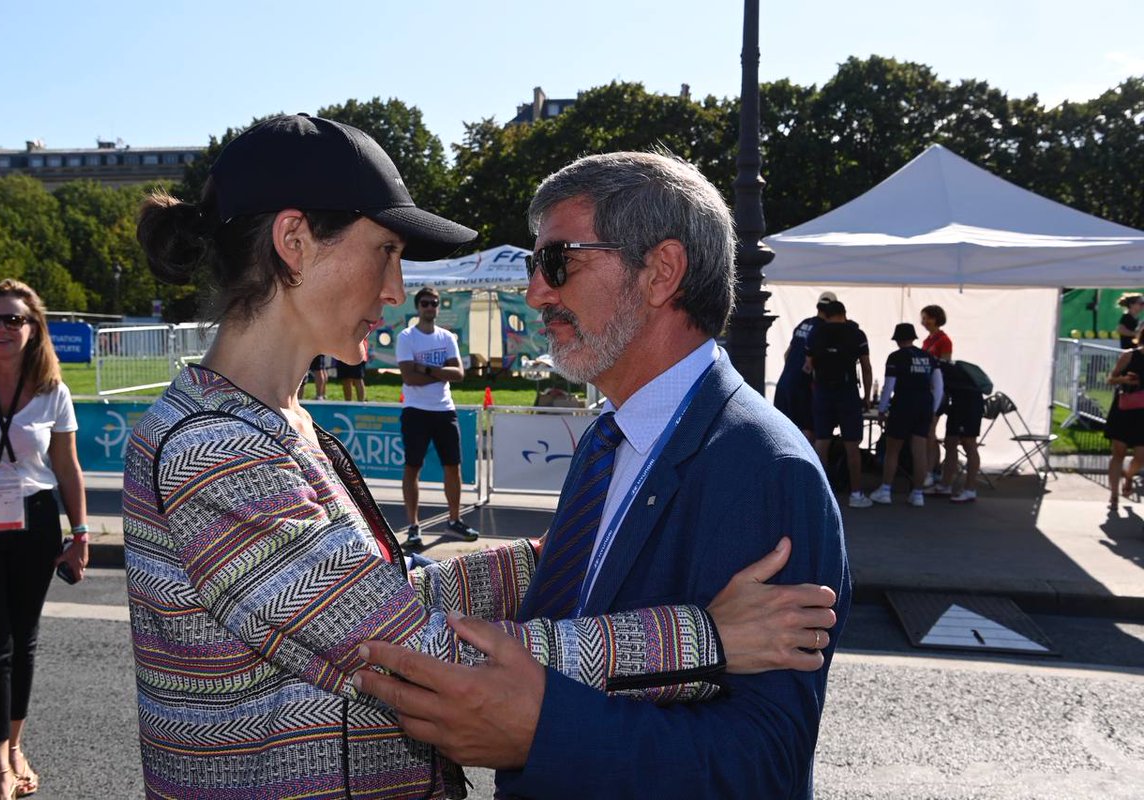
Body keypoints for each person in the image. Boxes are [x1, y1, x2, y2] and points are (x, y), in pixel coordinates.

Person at [125, 116, 839, 799]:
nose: (398, 290)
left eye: (556, 261)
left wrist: (568, 555)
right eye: (388, 251)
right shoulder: (216, 450)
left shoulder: (274, 424)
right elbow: (415, 653)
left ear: (662, 273)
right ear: (295, 241)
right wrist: (705, 637)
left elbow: (383, 600)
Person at [355, 150, 851, 799]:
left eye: (558, 261)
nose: (536, 291)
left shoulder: (763, 469)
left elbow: (763, 764)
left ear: (661, 271)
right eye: (537, 266)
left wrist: (548, 732)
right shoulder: (605, 438)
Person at [0, 279, 88, 800]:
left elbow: (66, 466)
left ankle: (15, 746)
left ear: (34, 328)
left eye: (14, 320)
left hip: (34, 518)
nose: (2, 328)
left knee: (23, 642)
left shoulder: (54, 390)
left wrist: (81, 532)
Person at [397, 286, 479, 549]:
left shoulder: (446, 337)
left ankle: (454, 520)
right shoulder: (407, 336)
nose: (430, 307)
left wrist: (425, 368)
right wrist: (438, 372)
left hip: (445, 409)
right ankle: (413, 526)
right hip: (416, 411)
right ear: (417, 306)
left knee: (453, 467)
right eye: (425, 303)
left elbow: (459, 374)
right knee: (413, 467)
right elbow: (409, 377)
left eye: (434, 303)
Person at [807, 299, 874, 508]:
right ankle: (856, 494)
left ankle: (820, 493)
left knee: (822, 442)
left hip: (823, 392)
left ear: (826, 315)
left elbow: (808, 365)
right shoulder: (856, 333)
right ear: (844, 313)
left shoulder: (816, 333)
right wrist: (867, 395)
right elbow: (866, 367)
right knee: (852, 445)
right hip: (848, 392)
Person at [868, 323, 943, 507]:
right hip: (924, 404)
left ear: (898, 339)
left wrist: (882, 409)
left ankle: (885, 490)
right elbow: (939, 385)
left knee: (893, 449)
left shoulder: (896, 357)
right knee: (919, 450)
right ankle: (918, 493)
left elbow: (889, 386)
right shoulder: (928, 357)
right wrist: (933, 409)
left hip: (903, 404)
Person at [773, 291, 835, 441]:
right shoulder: (825, 330)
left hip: (784, 382)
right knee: (807, 430)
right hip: (803, 386)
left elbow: (787, 354)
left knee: (782, 431)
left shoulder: (804, 323)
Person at [1104, 331, 1144, 507]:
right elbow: (1111, 379)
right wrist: (1125, 380)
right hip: (1124, 408)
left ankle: (1128, 476)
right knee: (1118, 453)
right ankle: (1114, 496)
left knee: (1141, 457)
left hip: (1142, 414)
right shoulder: (1129, 355)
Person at [936, 360, 985, 503]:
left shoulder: (936, 369)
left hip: (970, 405)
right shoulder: (942, 368)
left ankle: (970, 489)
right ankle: (945, 485)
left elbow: (939, 393)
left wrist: (935, 413)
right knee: (950, 443)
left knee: (969, 444)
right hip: (957, 405)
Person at [920, 304, 952, 487]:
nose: (925, 322)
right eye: (923, 318)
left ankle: (930, 471)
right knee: (928, 433)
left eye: (927, 318)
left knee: (930, 433)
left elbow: (945, 364)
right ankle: (934, 469)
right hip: (927, 390)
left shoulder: (943, 340)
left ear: (937, 318)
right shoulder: (928, 340)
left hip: (937, 391)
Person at [338, 333, 369, 401]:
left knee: (357, 378)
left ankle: (361, 404)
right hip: (342, 350)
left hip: (357, 349)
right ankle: (348, 404)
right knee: (346, 378)